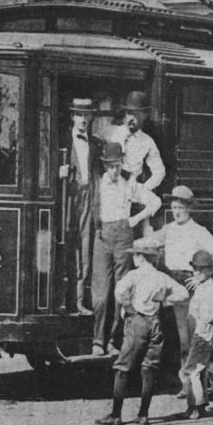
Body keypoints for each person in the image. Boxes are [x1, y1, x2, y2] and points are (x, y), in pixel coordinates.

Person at [96, 238, 189, 425]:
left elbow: (120, 292)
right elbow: (184, 294)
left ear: (139, 257)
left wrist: (129, 307)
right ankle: (143, 415)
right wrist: (163, 299)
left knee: (122, 368)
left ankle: (115, 414)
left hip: (138, 322)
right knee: (149, 368)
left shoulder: (134, 275)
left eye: (135, 255)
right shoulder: (162, 277)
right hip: (156, 323)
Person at [142, 185, 213, 390]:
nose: (176, 211)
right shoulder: (169, 229)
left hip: (187, 285)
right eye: (174, 207)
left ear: (189, 208)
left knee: (186, 337)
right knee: (171, 336)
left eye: (181, 207)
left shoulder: (198, 231)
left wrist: (203, 276)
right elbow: (150, 240)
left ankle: (190, 386)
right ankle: (178, 380)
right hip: (170, 284)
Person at [91, 142, 161, 356]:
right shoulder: (98, 184)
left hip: (123, 237)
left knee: (119, 291)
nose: (114, 170)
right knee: (101, 293)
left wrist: (134, 219)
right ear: (105, 166)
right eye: (110, 166)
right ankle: (97, 340)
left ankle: (113, 340)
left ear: (122, 164)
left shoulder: (129, 184)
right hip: (102, 237)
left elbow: (155, 202)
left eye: (117, 165)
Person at [63, 98, 103, 315]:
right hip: (68, 199)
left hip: (89, 198)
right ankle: (64, 300)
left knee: (86, 247)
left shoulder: (96, 144)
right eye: (79, 115)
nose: (83, 119)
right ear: (72, 117)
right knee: (67, 246)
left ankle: (79, 300)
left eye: (87, 115)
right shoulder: (61, 142)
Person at [180, 250, 213, 420]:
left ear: (211, 270)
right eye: (195, 269)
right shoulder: (203, 287)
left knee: (190, 371)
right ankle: (197, 404)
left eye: (202, 269)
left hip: (203, 334)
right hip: (199, 332)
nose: (197, 272)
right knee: (197, 370)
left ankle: (196, 407)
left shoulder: (211, 290)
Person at [106, 90, 165, 192]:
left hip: (133, 190)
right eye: (129, 113)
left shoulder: (147, 141)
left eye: (136, 114)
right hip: (112, 189)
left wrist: (144, 189)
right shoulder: (114, 134)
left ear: (144, 115)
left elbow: (159, 171)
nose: (131, 118)